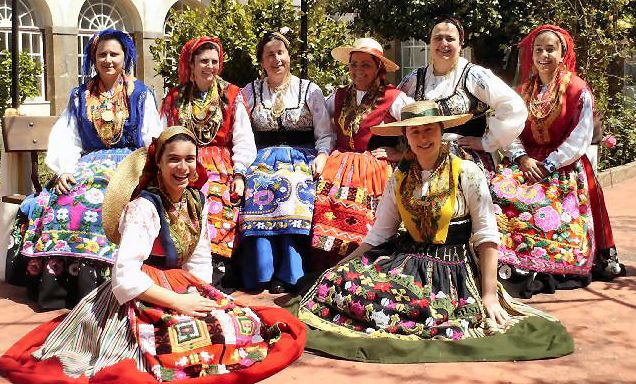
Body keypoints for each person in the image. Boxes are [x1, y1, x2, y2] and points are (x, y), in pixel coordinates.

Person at [0, 127, 305, 384]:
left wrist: (200, 294)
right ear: (158, 163)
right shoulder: (144, 207)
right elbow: (124, 277)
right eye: (173, 160)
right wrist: (178, 302)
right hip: (141, 292)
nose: (183, 168)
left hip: (180, 283)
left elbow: (198, 259)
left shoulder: (194, 200)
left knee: (237, 325)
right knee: (179, 345)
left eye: (189, 159)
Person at [294, 101, 573, 363]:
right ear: (406, 135)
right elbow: (379, 233)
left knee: (421, 311)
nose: (423, 137)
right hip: (407, 259)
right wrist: (340, 265)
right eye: (415, 131)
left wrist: (489, 294)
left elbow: (487, 235)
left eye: (429, 130)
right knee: (343, 283)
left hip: (453, 269)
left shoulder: (466, 172)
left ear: (442, 132)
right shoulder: (400, 177)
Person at [5, 28, 162, 309]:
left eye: (114, 54)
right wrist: (63, 169)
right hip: (87, 163)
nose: (108, 60)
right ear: (93, 57)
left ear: (125, 57)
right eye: (102, 54)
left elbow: (152, 137)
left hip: (129, 163)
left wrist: (147, 170)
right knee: (63, 200)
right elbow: (67, 135)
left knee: (103, 203)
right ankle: (63, 288)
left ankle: (106, 284)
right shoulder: (80, 96)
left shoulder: (140, 94)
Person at [491, 25, 625, 298]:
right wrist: (522, 157)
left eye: (550, 49)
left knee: (550, 206)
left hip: (564, 164)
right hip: (526, 162)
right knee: (497, 190)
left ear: (563, 52)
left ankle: (552, 262)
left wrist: (550, 164)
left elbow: (581, 136)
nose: (543, 55)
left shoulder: (577, 90)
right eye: (538, 49)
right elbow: (510, 129)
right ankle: (508, 261)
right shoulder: (522, 91)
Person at [239, 32, 333, 293]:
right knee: (258, 186)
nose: (277, 59)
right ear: (261, 61)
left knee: (293, 187)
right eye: (270, 54)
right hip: (263, 157)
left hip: (302, 157)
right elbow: (243, 134)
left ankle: (291, 273)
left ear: (289, 56)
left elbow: (324, 133)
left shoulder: (309, 90)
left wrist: (323, 156)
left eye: (281, 53)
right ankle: (261, 271)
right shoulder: (250, 93)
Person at [311, 37, 414, 269]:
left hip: (372, 168)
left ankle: (359, 266)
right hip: (338, 163)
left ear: (378, 68)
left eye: (365, 64)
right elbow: (315, 120)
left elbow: (419, 126)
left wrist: (400, 154)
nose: (358, 70)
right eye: (353, 64)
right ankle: (326, 267)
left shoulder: (393, 98)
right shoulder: (338, 96)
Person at [161, 37, 256, 281]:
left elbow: (243, 138)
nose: (210, 66)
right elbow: (161, 136)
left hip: (221, 163)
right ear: (191, 64)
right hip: (183, 161)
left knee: (216, 193)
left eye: (215, 61)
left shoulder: (232, 95)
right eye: (203, 61)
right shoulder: (175, 98)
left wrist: (239, 173)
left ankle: (218, 267)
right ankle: (181, 265)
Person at [398, 17, 527, 174]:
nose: (443, 43)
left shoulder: (474, 75)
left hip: (465, 159)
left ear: (460, 44)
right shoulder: (414, 79)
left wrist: (487, 142)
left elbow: (513, 106)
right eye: (437, 38)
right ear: (430, 43)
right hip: (422, 157)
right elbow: (394, 110)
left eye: (450, 39)